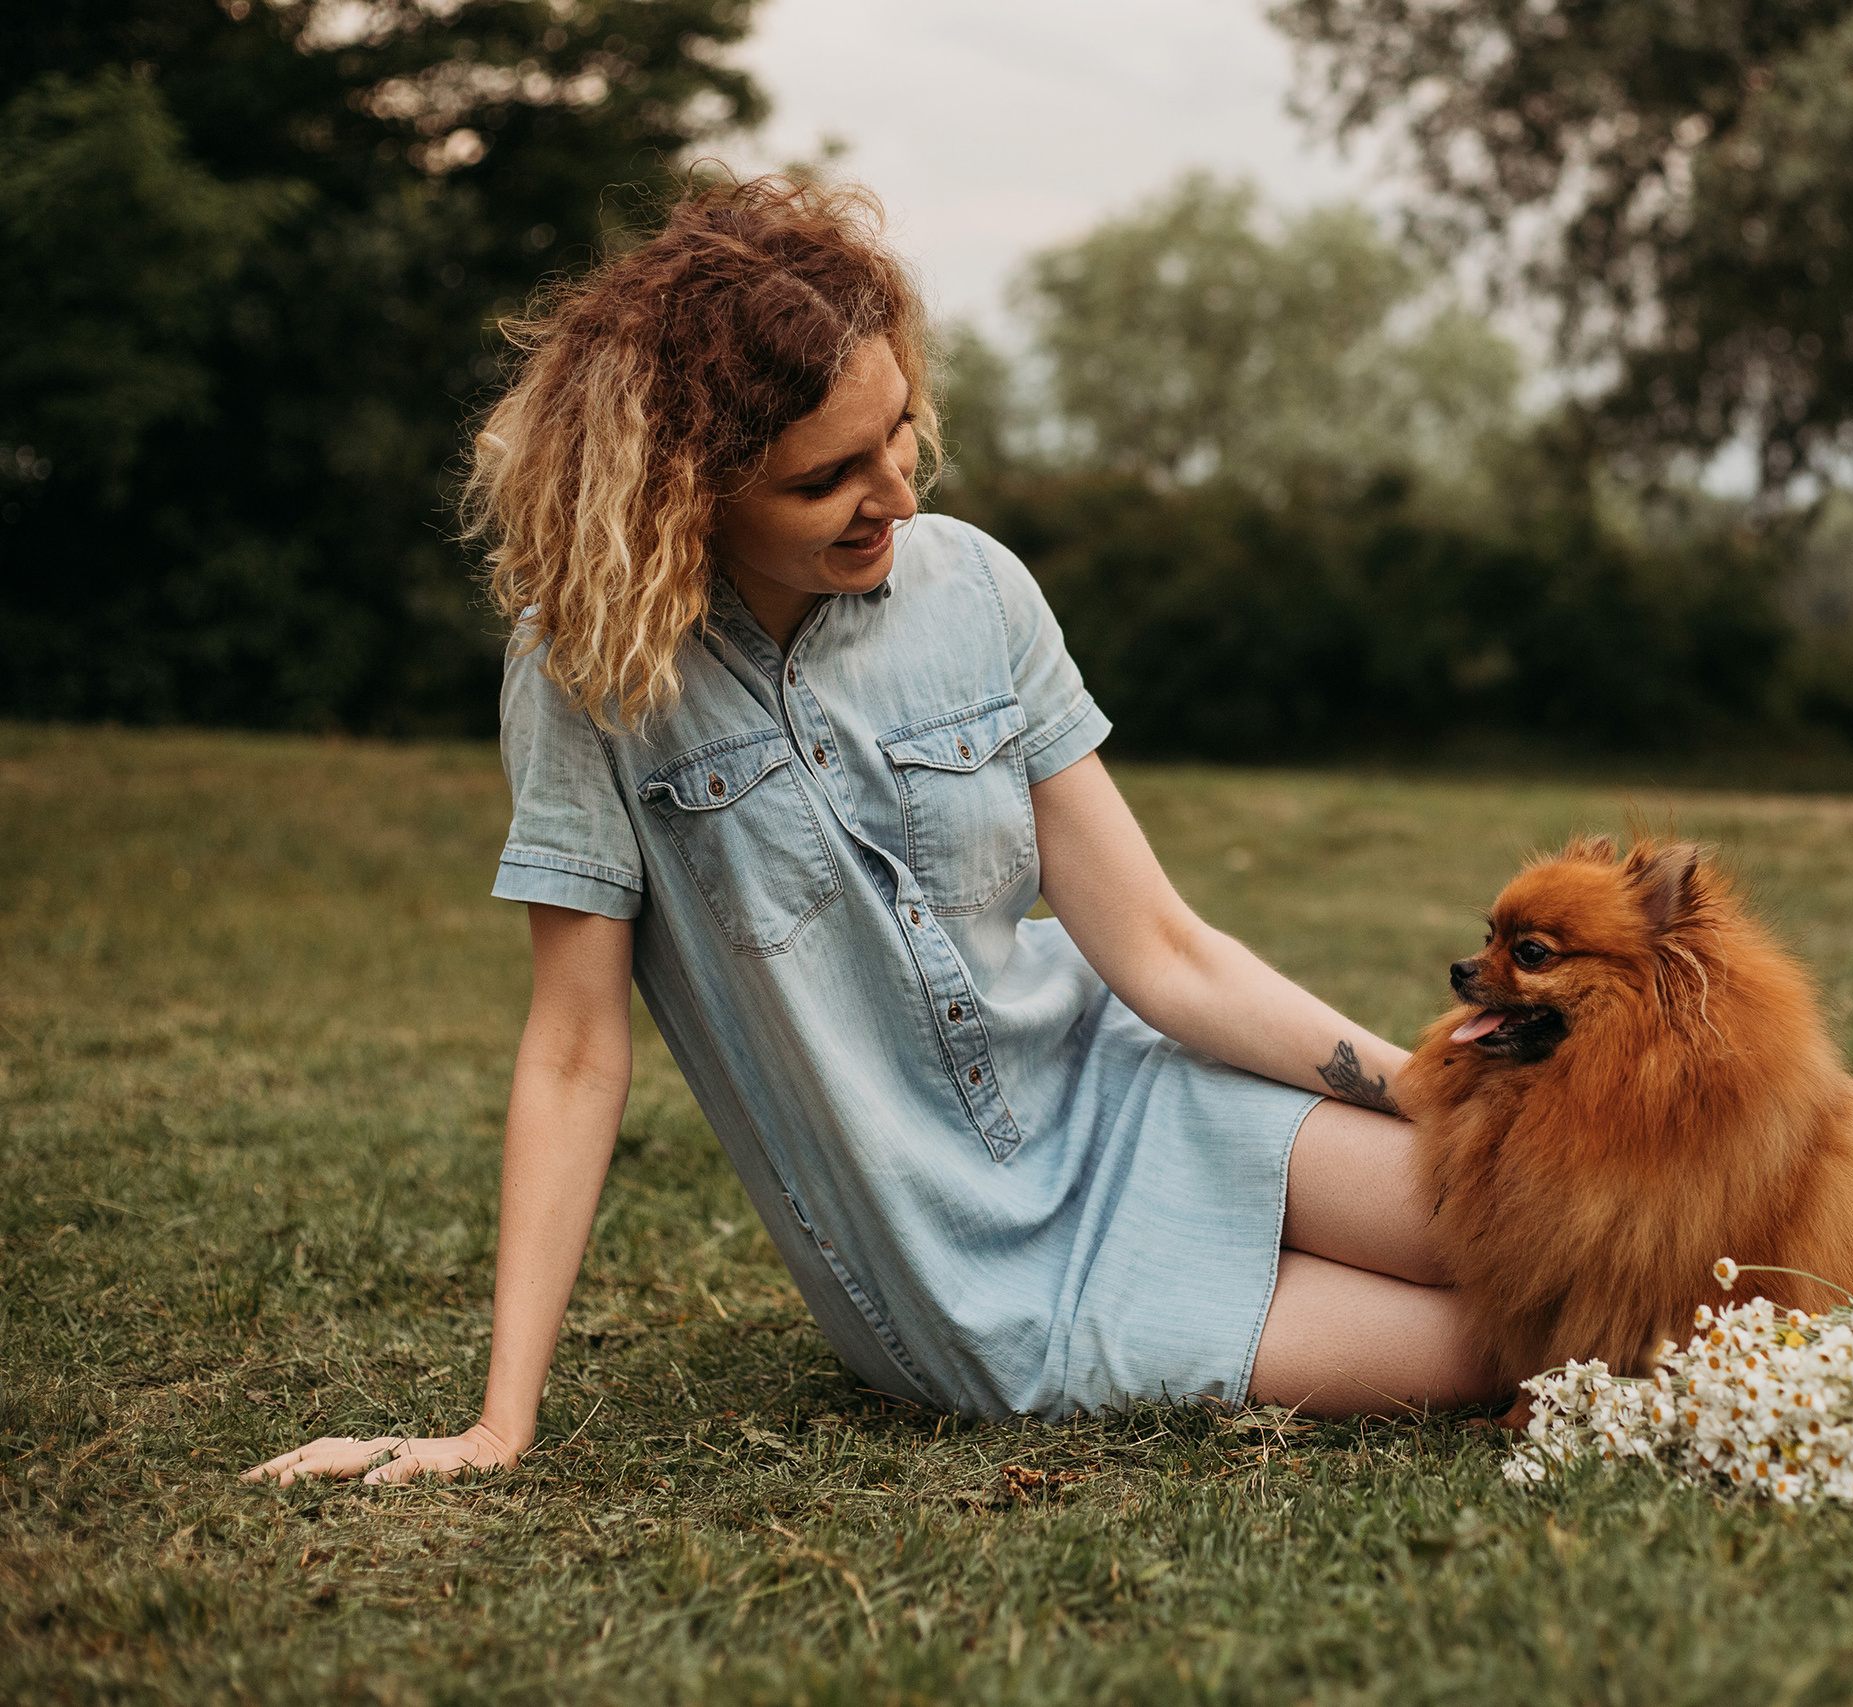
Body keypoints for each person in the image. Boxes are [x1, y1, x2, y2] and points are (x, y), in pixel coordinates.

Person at [244, 177, 1502, 1487]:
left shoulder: (977, 590)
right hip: (972, 1277)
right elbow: (572, 1051)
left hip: (1135, 1097)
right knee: (1494, 1345)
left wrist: (1420, 1087)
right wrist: (497, 1428)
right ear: (689, 490)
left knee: (1560, 1234)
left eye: (898, 432)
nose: (894, 493)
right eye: (825, 479)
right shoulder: (590, 673)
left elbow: (1162, 949)